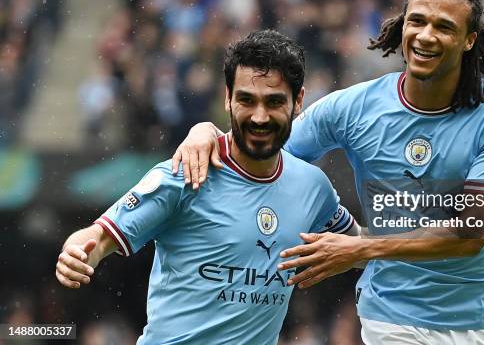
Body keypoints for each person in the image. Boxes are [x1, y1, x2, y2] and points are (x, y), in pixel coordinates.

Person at [172, 0, 484, 344]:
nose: (426, 35)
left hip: (483, 315)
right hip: (391, 315)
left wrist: (360, 248)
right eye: (417, 21)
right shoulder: (354, 108)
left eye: (443, 26)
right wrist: (208, 133)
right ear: (402, 25)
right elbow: (263, 146)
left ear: (468, 40)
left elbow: (470, 233)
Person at [55, 30, 358, 344]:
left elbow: (360, 246)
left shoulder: (313, 187)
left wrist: (405, 235)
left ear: (298, 102)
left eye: (274, 102)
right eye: (246, 99)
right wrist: (77, 254)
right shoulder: (186, 173)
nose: (259, 116)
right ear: (227, 98)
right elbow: (99, 237)